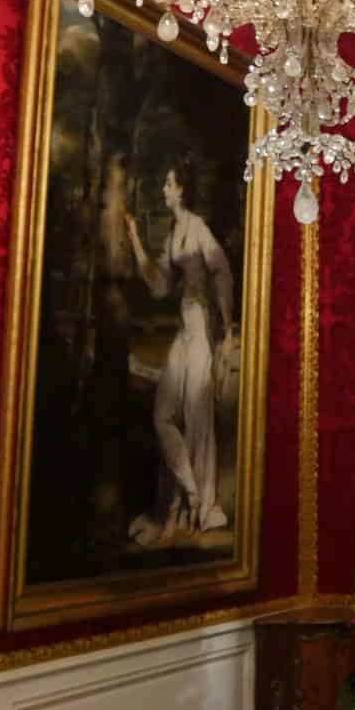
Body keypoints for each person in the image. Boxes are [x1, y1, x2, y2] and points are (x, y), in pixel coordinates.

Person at [125, 157, 234, 542]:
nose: (164, 190)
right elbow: (158, 286)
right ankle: (187, 492)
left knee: (197, 417)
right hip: (184, 330)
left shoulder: (197, 227)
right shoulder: (173, 235)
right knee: (163, 415)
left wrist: (227, 328)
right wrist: (136, 241)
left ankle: (201, 508)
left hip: (202, 326)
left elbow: (221, 270)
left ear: (182, 190)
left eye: (169, 184)